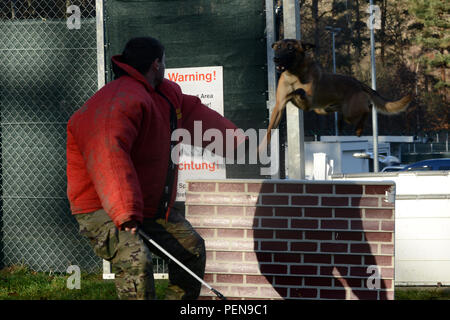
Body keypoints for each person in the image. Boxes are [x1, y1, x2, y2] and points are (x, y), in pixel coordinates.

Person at [66, 37, 245, 299]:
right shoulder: (119, 99)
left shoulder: (164, 95)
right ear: (156, 64)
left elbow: (194, 114)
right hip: (102, 206)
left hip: (146, 206)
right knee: (135, 260)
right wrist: (124, 210)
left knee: (191, 249)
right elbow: (108, 153)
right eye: (165, 61)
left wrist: (240, 143)